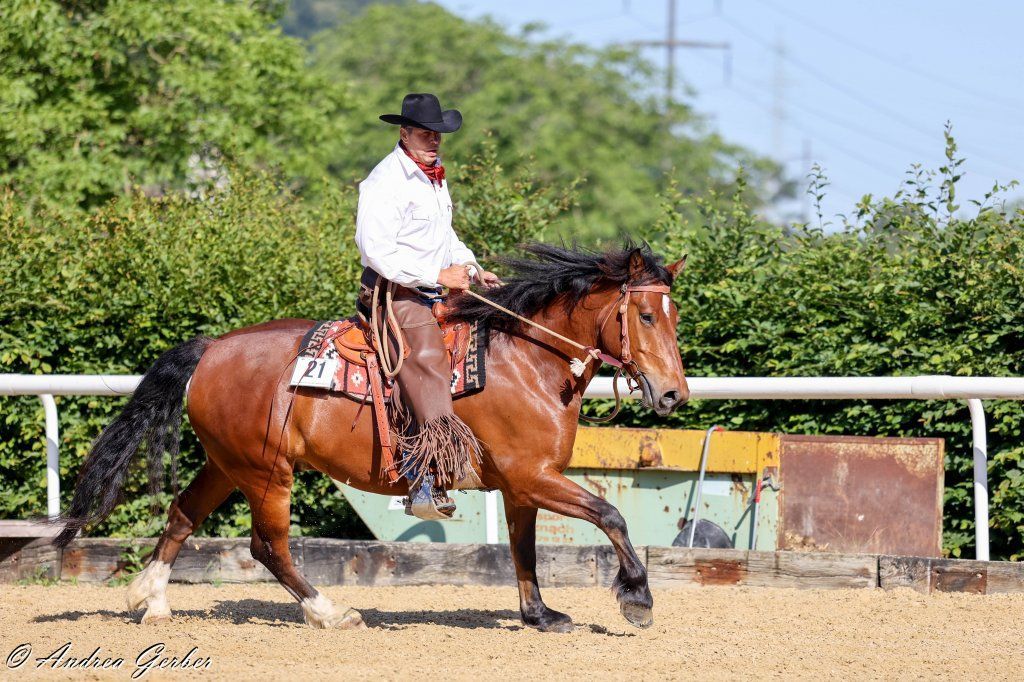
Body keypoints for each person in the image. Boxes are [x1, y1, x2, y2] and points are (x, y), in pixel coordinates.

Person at [355, 93, 500, 520]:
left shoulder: (434, 177)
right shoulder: (385, 182)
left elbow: (445, 237)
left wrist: (472, 267)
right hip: (393, 293)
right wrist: (437, 276)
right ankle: (424, 476)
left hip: (431, 287)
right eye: (425, 133)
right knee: (427, 356)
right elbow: (375, 251)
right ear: (404, 133)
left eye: (438, 134)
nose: (434, 141)